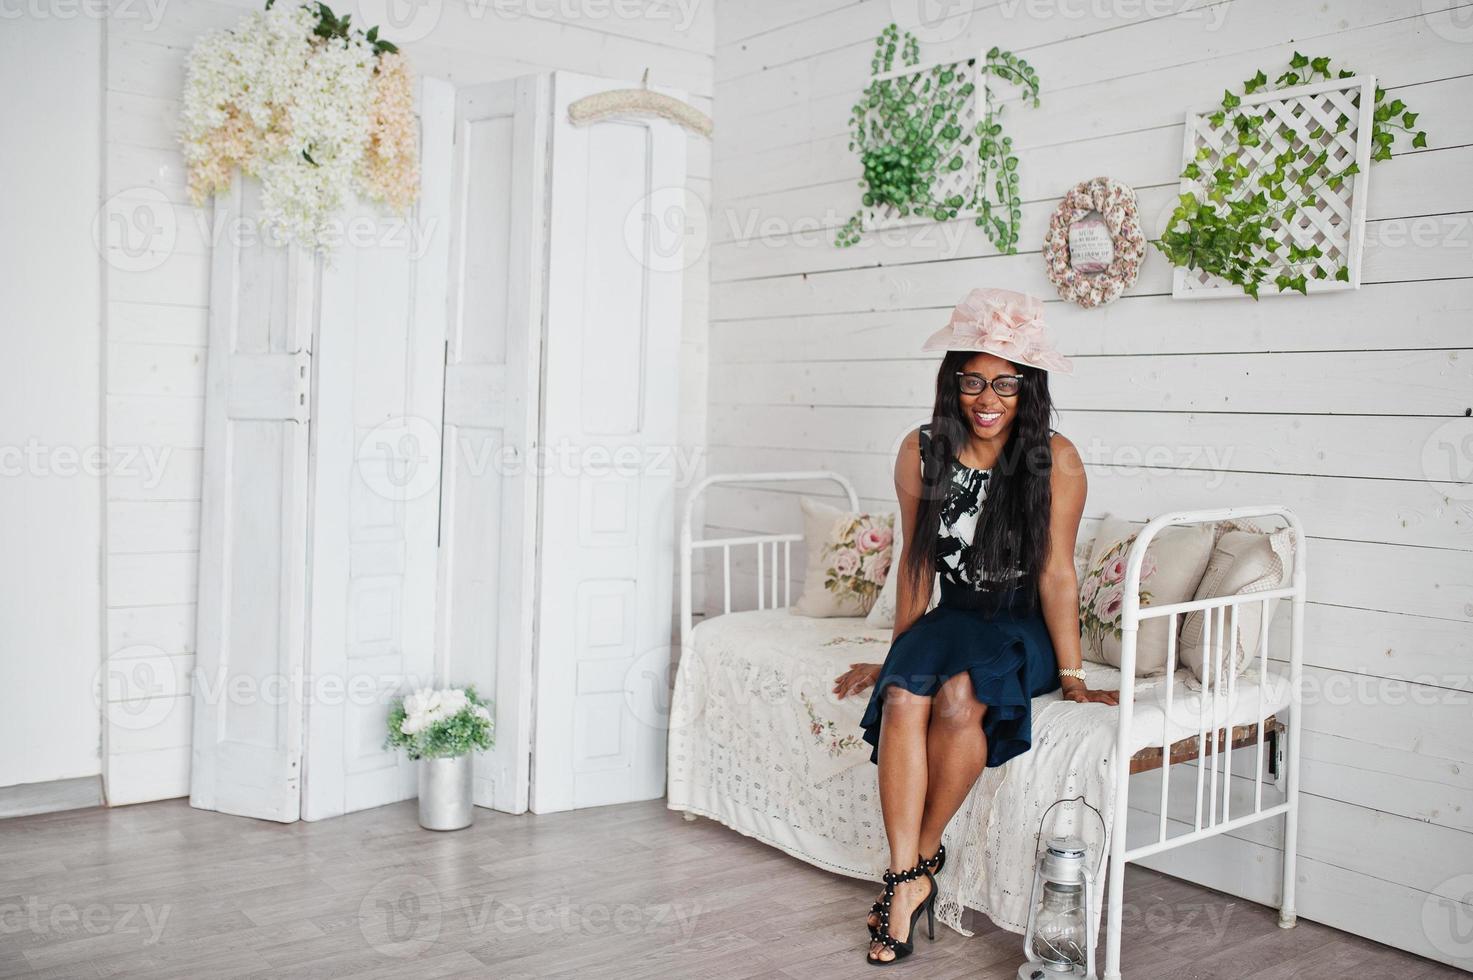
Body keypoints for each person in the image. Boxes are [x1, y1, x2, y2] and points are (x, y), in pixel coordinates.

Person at [831, 287, 1119, 966]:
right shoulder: (923, 449)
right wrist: (893, 651)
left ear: (1028, 389)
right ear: (952, 382)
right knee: (904, 694)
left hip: (1021, 628)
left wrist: (1074, 678)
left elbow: (1055, 573)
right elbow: (917, 561)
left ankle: (917, 860)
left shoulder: (1055, 458)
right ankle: (908, 878)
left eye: (1005, 383)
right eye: (972, 380)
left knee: (960, 698)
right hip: (953, 614)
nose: (986, 396)